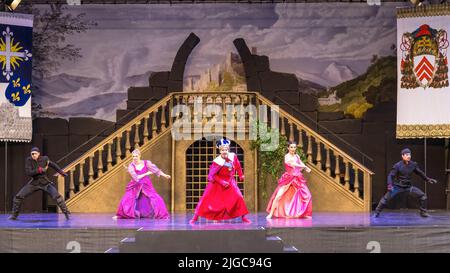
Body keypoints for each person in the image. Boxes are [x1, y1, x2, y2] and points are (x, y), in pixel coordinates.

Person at [189, 138, 251, 224]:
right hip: (217, 183)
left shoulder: (233, 156)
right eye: (222, 150)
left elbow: (237, 166)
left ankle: (244, 217)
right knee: (206, 199)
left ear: (228, 149)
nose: (224, 151)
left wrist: (241, 175)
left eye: (226, 149)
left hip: (229, 182)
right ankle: (195, 218)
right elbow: (213, 175)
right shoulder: (217, 161)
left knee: (238, 197)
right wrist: (222, 182)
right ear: (220, 151)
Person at [9, 147, 70, 220]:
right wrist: (39, 170)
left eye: (35, 154)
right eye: (32, 154)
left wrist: (61, 172)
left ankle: (66, 213)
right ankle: (14, 216)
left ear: (39, 154)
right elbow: (29, 173)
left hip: (45, 183)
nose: (33, 155)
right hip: (34, 183)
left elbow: (53, 165)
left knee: (57, 197)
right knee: (18, 197)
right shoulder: (29, 160)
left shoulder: (44, 159)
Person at [374, 148, 437, 218]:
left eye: (409, 154)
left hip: (408, 187)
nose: (409, 156)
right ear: (402, 156)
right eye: (407, 155)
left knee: (423, 196)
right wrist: (390, 185)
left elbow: (420, 173)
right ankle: (377, 212)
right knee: (385, 199)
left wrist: (427, 179)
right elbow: (390, 176)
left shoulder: (413, 164)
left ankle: (423, 212)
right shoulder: (397, 165)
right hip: (397, 187)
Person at [114, 149, 171, 219]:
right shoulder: (131, 166)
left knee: (155, 197)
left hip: (146, 183)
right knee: (128, 198)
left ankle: (161, 214)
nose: (134, 158)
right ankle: (121, 215)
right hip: (134, 184)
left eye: (136, 156)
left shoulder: (146, 163)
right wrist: (147, 173)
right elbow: (136, 177)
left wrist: (165, 175)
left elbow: (156, 170)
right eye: (133, 156)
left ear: (140, 156)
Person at [266, 141, 312, 219]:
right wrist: (303, 166)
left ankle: (304, 213)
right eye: (291, 147)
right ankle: (271, 213)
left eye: (294, 147)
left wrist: (305, 167)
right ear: (288, 148)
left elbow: (300, 163)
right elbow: (293, 164)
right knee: (278, 196)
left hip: (297, 178)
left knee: (307, 195)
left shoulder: (297, 156)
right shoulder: (287, 156)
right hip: (288, 178)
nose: (293, 149)